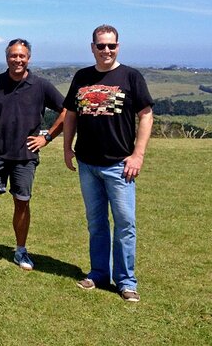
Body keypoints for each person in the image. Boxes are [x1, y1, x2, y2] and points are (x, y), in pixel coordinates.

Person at [63, 24, 154, 302]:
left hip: (119, 165)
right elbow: (71, 114)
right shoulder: (82, 76)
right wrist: (67, 147)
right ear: (92, 47)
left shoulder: (131, 76)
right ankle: (99, 273)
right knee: (96, 223)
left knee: (125, 223)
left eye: (111, 46)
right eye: (100, 45)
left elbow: (146, 114)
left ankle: (126, 281)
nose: (106, 50)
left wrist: (138, 154)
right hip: (88, 164)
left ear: (118, 46)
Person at [0, 38, 66, 271]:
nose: (17, 60)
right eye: (13, 56)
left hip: (26, 156)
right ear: (6, 57)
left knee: (22, 202)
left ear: (29, 58)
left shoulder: (41, 85)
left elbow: (66, 110)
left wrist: (46, 137)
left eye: (22, 56)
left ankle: (21, 251)